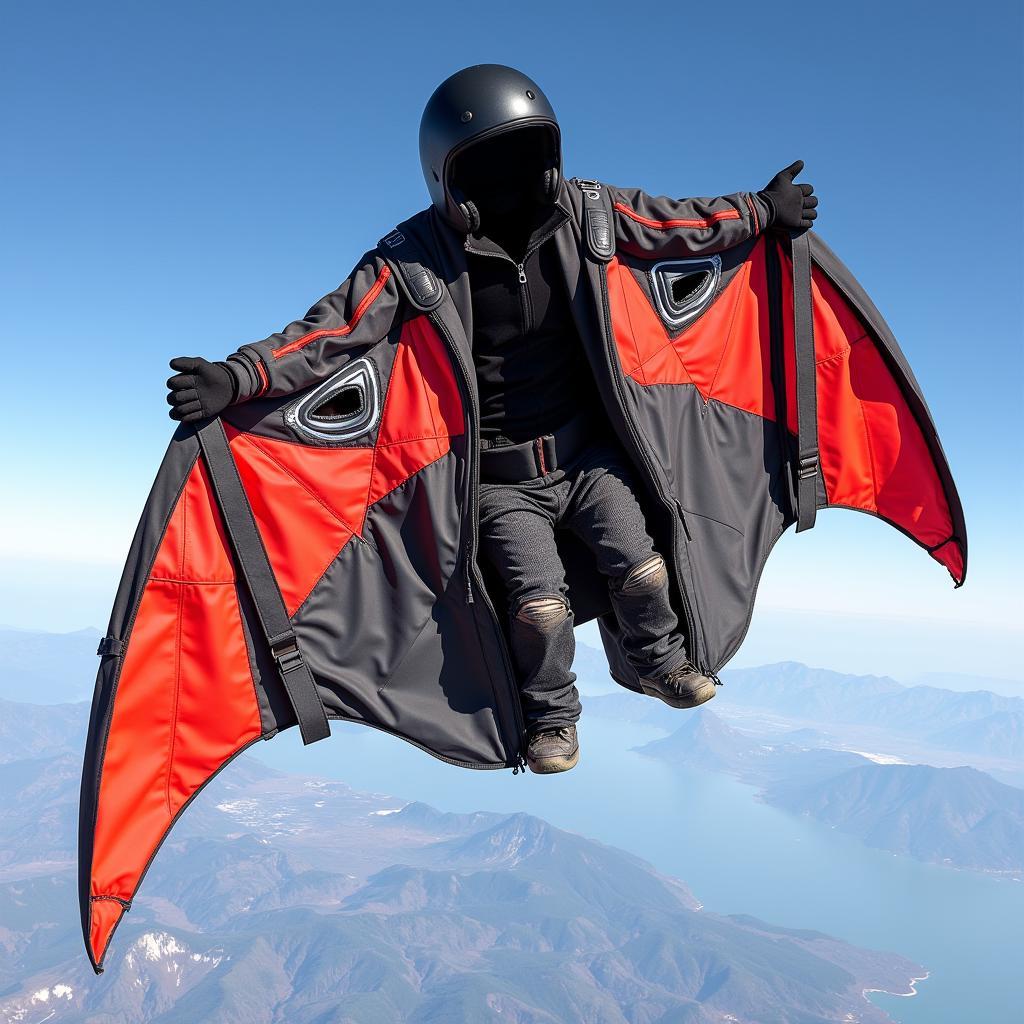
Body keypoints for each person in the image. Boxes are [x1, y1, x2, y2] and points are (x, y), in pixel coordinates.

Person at [165, 65, 817, 775]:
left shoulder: (587, 213)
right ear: (450, 182)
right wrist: (240, 377)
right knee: (539, 607)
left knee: (641, 567)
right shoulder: (413, 261)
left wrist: (761, 211)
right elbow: (331, 332)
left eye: (523, 162)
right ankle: (552, 720)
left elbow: (674, 227)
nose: (512, 184)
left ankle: (661, 663)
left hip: (587, 455)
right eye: (489, 169)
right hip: (501, 481)